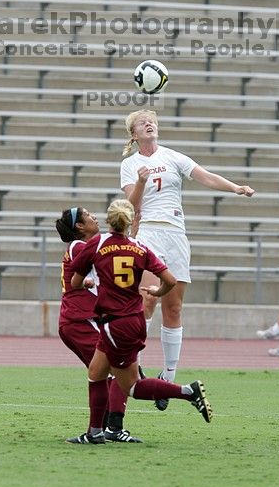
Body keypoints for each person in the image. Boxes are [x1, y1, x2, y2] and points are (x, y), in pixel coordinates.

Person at [120, 109, 254, 409]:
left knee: (175, 306)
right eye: (143, 123)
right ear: (134, 134)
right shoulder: (130, 165)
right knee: (146, 300)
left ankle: (167, 377)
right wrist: (141, 182)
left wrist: (235, 188)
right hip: (149, 233)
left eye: (152, 121)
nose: (149, 124)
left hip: (176, 233)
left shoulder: (173, 157)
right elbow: (130, 207)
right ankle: (135, 366)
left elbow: (205, 176)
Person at [70, 197, 212, 445]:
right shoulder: (140, 247)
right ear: (129, 222)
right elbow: (169, 279)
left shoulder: (97, 244)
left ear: (108, 220)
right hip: (131, 319)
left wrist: (87, 282)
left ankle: (188, 392)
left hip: (117, 323)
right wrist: (157, 292)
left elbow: (74, 281)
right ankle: (94, 432)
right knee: (96, 373)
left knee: (132, 386)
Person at [55, 206, 140, 444]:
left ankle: (101, 428)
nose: (94, 217)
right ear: (79, 227)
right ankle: (111, 428)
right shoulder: (80, 246)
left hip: (80, 320)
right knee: (118, 372)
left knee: (103, 375)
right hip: (81, 320)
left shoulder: (84, 247)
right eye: (88, 215)